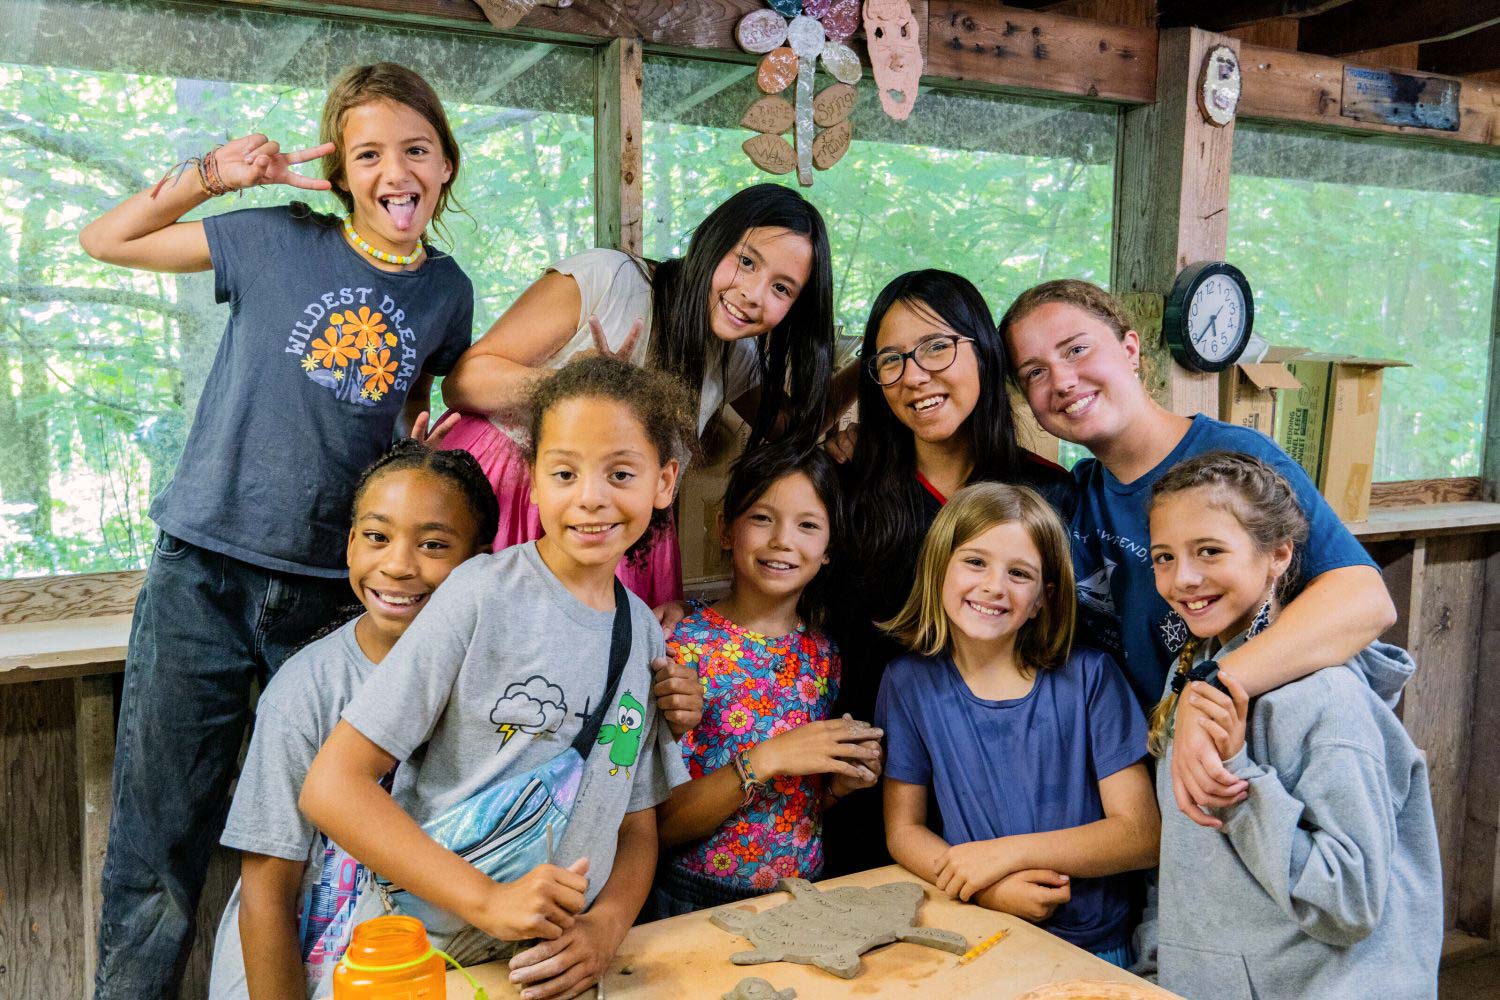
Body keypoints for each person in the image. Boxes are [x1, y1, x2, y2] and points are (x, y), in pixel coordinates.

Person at [78, 61, 473, 997]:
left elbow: (416, 424)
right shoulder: (272, 238)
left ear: (445, 165)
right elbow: (107, 240)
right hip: (203, 578)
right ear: (340, 173)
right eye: (369, 152)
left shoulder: (448, 293)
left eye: (415, 149)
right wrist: (215, 174)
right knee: (159, 842)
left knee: (328, 838)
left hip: (340, 601)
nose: (395, 170)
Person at [301, 356, 694, 1000]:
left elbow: (635, 824)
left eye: (620, 473)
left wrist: (605, 927)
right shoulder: (480, 595)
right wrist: (488, 901)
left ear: (664, 481)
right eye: (565, 473)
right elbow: (333, 787)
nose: (591, 497)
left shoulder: (643, 635)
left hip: (548, 973)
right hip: (426, 963)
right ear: (532, 482)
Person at [1000, 279, 1397, 827]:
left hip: (1263, 784)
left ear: (1131, 349)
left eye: (1076, 348)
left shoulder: (1232, 459)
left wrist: (1208, 689)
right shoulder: (1079, 495)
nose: (1062, 381)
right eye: (1034, 373)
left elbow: (1365, 600)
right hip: (1157, 795)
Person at [439, 183, 839, 606]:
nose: (754, 295)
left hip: (625, 528)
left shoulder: (736, 357)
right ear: (712, 240)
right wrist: (579, 387)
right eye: (745, 262)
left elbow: (794, 430)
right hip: (513, 494)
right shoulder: (610, 278)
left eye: (782, 289)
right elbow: (463, 381)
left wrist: (871, 375)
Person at [1140, 451, 1440, 997]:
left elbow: (1350, 902)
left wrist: (1236, 781)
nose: (1182, 578)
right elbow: (1189, 859)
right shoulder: (1191, 674)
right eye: (1163, 557)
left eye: (1209, 551)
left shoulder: (1329, 701)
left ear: (1278, 555)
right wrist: (1162, 960)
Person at [207, 441, 497, 1000]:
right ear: (349, 545)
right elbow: (266, 889)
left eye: (433, 544)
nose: (397, 564)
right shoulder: (306, 690)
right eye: (377, 536)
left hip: (426, 974)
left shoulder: (499, 680)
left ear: (480, 563)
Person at [824, 269, 1075, 875]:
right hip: (872, 793)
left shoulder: (1049, 494)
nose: (914, 376)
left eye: (937, 347)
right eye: (890, 360)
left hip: (1014, 791)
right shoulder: (846, 492)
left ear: (982, 352)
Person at [878, 483, 1158, 966]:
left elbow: (1141, 835)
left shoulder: (1090, 678)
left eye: (1020, 573)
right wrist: (987, 889)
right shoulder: (909, 683)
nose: (993, 586)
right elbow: (904, 829)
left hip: (1094, 948)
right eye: (975, 562)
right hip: (976, 938)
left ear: (1044, 597)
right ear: (938, 567)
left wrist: (1006, 855)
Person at [653, 445, 882, 916]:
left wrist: (840, 784)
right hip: (693, 896)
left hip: (804, 894)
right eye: (762, 517)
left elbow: (802, 801)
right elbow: (658, 825)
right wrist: (769, 758)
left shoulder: (826, 655)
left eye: (808, 525)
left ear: (829, 551)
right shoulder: (678, 643)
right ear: (724, 529)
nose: (782, 540)